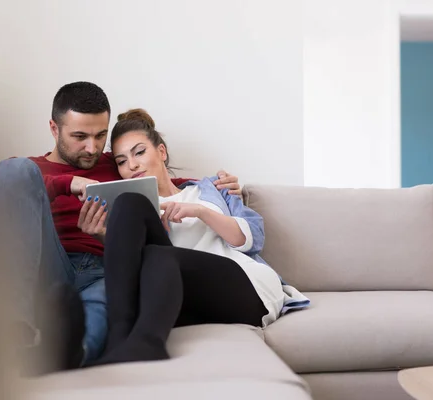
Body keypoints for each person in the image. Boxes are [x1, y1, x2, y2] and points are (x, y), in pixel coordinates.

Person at [0, 82, 243, 374]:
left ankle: (70, 355)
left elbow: (164, 184)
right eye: (79, 136)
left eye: (100, 135)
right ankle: (17, 335)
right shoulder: (29, 171)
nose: (92, 148)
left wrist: (217, 186)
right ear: (54, 128)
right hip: (48, 266)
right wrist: (67, 183)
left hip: (108, 269)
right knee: (16, 169)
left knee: (102, 306)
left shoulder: (117, 163)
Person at [77, 109, 310, 366]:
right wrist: (104, 236)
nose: (131, 165)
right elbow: (136, 269)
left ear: (162, 153)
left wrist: (200, 211)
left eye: (139, 152)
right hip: (182, 294)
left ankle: (145, 343)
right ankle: (120, 339)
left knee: (160, 256)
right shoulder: (136, 212)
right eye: (121, 161)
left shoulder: (210, 190)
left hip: (245, 288)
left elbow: (251, 238)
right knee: (131, 205)